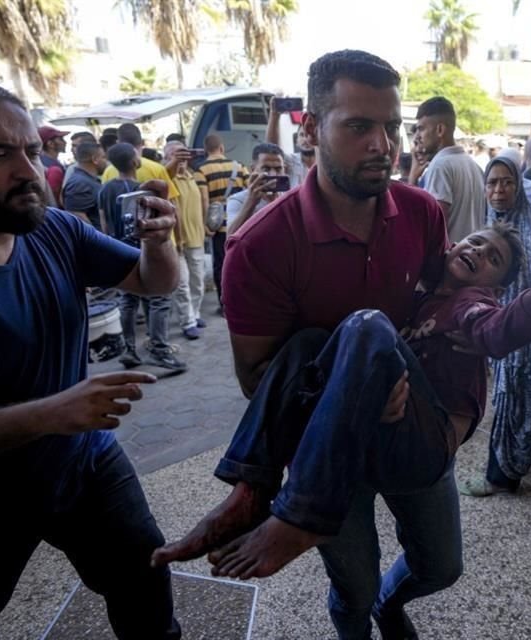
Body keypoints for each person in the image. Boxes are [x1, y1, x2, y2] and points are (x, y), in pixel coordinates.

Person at [147, 49, 449, 640]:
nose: (383, 144)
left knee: (441, 567)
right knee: (354, 590)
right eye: (359, 126)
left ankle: (263, 495)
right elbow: (261, 380)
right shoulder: (260, 245)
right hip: (321, 454)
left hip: (409, 421)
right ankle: (325, 563)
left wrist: (437, 397)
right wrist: (354, 398)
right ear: (310, 130)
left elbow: (444, 311)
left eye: (392, 127)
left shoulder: (421, 214)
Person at [156, 221, 531, 574]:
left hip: (424, 448)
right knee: (308, 341)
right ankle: (253, 488)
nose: (479, 250)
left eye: (493, 256)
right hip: (369, 439)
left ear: (495, 286)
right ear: (452, 243)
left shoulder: (470, 304)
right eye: (475, 240)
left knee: (367, 323)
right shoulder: (410, 286)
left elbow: (498, 331)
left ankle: (303, 518)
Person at [0, 77, 181, 639]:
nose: (28, 171)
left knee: (145, 578)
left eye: (32, 151)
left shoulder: (53, 229)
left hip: (85, 462)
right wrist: (50, 413)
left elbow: (154, 284)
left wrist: (160, 242)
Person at [458, 154, 531, 497]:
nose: (499, 190)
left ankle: (503, 476)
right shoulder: (493, 226)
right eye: (492, 183)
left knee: (520, 406)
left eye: (507, 182)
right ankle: (503, 471)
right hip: (503, 332)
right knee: (509, 404)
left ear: (519, 187)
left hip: (527, 341)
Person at [98, 143, 187, 371]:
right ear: (136, 162)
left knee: (127, 301)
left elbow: (104, 224)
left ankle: (129, 350)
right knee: (159, 298)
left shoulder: (105, 189)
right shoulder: (142, 192)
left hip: (117, 248)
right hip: (142, 250)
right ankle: (158, 348)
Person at [413, 96, 486, 242]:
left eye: (421, 129)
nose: (417, 137)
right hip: (469, 258)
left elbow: (436, 228)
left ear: (440, 130)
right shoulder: (474, 166)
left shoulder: (441, 166)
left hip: (450, 261)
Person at [196, 133, 247, 313]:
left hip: (218, 226)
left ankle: (224, 304)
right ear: (222, 148)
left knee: (221, 265)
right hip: (239, 221)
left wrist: (205, 224)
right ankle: (243, 299)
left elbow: (203, 199)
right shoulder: (239, 166)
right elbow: (250, 192)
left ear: (205, 150)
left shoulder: (201, 170)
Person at [163, 141, 209, 340]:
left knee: (197, 280)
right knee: (181, 283)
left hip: (196, 238)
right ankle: (187, 321)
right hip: (175, 240)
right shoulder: (166, 176)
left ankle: (195, 313)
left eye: (182, 153)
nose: (179, 158)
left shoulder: (192, 176)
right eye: (174, 154)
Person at [225, 143, 290, 235]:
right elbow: (230, 238)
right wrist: (251, 202)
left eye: (278, 169)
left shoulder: (289, 199)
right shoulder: (238, 200)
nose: (273, 174)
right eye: (266, 169)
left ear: (285, 169)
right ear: (253, 169)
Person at [62, 141, 107, 227]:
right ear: (95, 159)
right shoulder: (80, 183)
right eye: (103, 157)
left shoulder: (86, 180)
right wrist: (96, 238)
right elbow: (77, 215)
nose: (106, 161)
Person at [38, 124, 69, 206]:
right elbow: (55, 199)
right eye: (61, 139)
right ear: (50, 144)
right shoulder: (53, 168)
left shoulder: (41, 162)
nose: (65, 142)